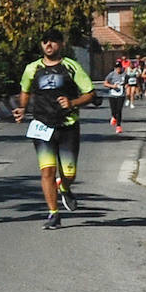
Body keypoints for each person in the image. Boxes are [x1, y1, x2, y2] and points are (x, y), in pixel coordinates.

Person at [11, 28, 95, 230]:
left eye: (53, 41)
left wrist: (72, 102)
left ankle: (65, 187)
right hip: (42, 125)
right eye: (45, 41)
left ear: (61, 44)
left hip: (67, 126)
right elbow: (25, 90)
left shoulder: (71, 66)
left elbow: (90, 93)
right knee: (47, 171)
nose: (48, 45)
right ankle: (53, 214)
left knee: (69, 172)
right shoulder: (32, 68)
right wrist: (22, 108)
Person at [104, 59, 127, 134]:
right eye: (116, 67)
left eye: (119, 67)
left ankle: (118, 126)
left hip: (121, 94)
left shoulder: (125, 74)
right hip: (112, 95)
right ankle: (113, 117)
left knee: (119, 110)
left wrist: (126, 86)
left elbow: (128, 82)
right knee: (114, 110)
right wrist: (112, 86)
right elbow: (105, 83)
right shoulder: (111, 74)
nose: (118, 69)